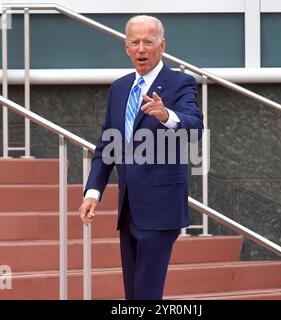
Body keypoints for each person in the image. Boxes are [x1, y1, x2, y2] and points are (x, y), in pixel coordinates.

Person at [79, 15, 203, 300]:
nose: (141, 49)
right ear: (126, 47)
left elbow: (195, 126)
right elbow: (106, 144)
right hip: (129, 207)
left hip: (161, 207)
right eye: (135, 42)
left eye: (148, 42)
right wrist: (93, 192)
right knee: (134, 293)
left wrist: (167, 115)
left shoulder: (179, 83)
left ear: (162, 45)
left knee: (147, 292)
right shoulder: (120, 87)